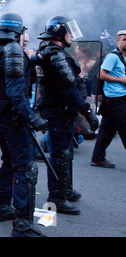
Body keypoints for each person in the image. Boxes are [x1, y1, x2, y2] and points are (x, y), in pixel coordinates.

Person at [0, 12, 47, 237]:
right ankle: (22, 224)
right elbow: (14, 91)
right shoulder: (12, 49)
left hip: (0, 114)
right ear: (18, 31)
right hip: (12, 115)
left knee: (9, 162)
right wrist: (32, 117)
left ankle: (2, 206)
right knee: (25, 168)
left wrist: (36, 59)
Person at [36, 15, 99, 215]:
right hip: (59, 111)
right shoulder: (55, 55)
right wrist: (87, 111)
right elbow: (69, 88)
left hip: (60, 110)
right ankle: (56, 197)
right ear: (61, 33)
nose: (72, 36)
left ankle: (65, 190)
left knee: (65, 153)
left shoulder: (47, 52)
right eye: (69, 32)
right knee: (59, 155)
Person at [91, 29, 126, 168]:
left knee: (107, 130)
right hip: (115, 99)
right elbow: (102, 75)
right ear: (117, 41)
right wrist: (120, 80)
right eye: (124, 39)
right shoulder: (113, 56)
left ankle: (97, 158)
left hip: (118, 98)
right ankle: (98, 158)